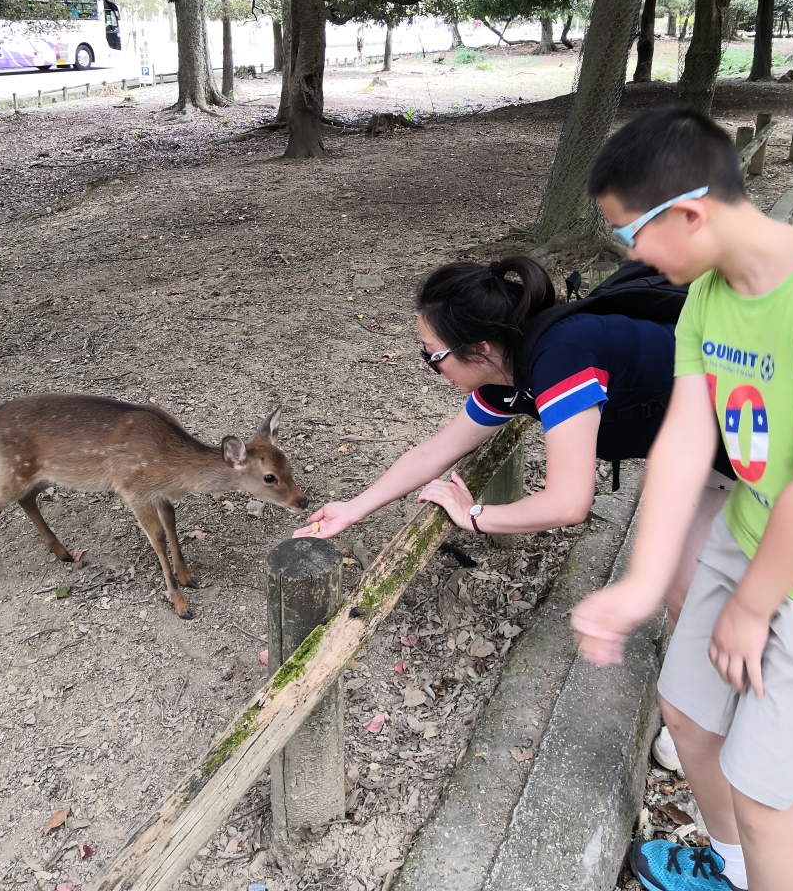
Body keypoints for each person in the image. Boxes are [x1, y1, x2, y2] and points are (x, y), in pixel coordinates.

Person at [296, 251, 733, 771]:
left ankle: (727, 732)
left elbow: (570, 502)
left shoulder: (561, 358)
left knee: (720, 596)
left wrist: (475, 516)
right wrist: (353, 509)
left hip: (758, 439)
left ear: (479, 348)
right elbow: (434, 451)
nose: (431, 370)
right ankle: (709, 721)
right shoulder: (508, 375)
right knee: (687, 591)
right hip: (700, 446)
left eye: (432, 357)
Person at [572, 105, 793, 891]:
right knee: (690, 716)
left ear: (692, 213)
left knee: (767, 796)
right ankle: (736, 870)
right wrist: (641, 583)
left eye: (627, 233)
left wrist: (752, 605)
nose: (628, 253)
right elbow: (683, 439)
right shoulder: (708, 297)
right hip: (748, 532)